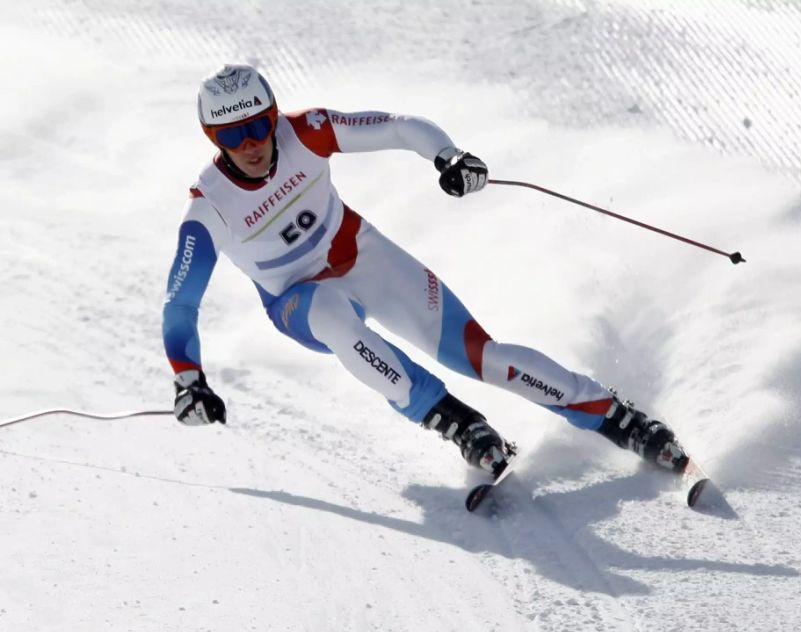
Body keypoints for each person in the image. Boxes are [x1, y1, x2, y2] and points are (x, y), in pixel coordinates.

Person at [162, 64, 690, 478]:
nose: (252, 143)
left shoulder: (307, 131)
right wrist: (189, 381)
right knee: (332, 316)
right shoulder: (208, 208)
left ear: (273, 115)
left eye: (259, 125)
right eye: (234, 136)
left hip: (364, 259)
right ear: (213, 138)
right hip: (298, 301)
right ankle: (457, 423)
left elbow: (395, 128)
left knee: (483, 356)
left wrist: (448, 156)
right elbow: (181, 305)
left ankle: (617, 418)